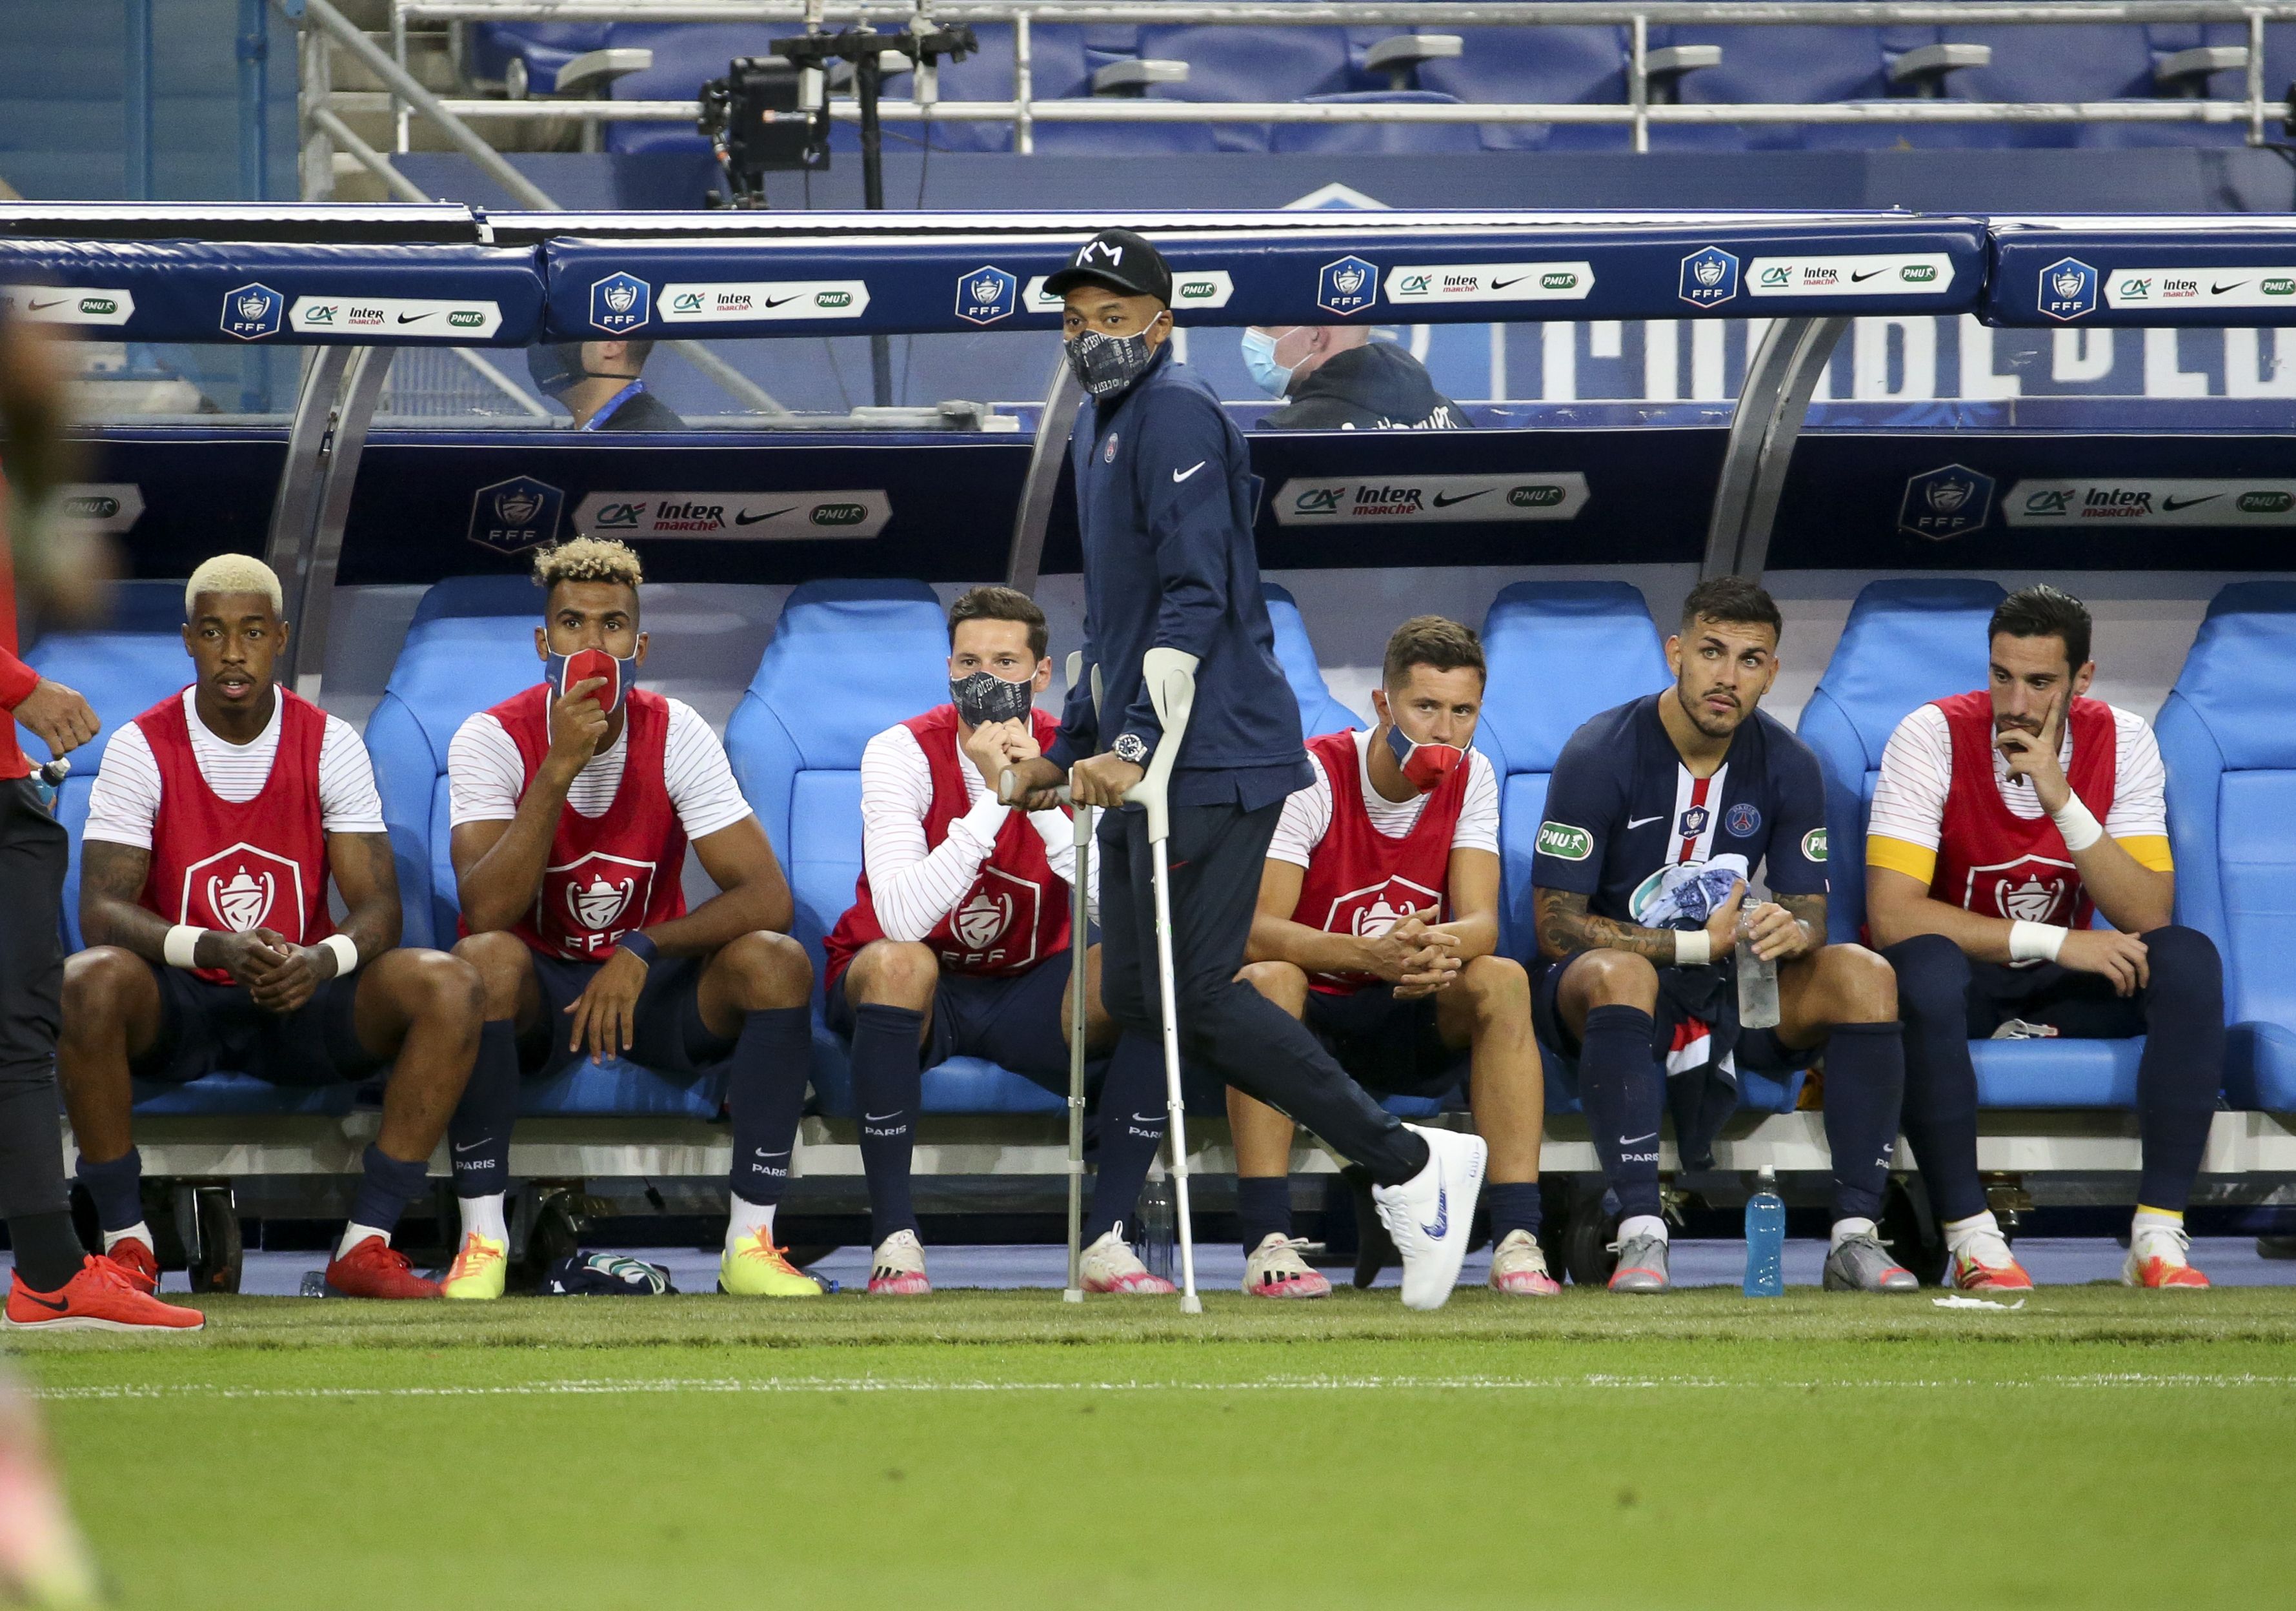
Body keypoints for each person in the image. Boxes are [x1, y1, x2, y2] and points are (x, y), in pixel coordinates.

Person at [1004, 227, 1485, 1312]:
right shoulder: (1097, 424)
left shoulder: (1175, 411)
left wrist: (1127, 747)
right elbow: (1115, 618)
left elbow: (1198, 593)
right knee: (1139, 991)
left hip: (1214, 751)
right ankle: (1407, 1161)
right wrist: (1071, 744)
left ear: (1162, 323)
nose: (1092, 337)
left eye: (1114, 317)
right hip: (1150, 753)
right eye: (1076, 319)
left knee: (1188, 987)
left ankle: (1410, 1165)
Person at [55, 556, 484, 1307]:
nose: (232, 652)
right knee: (88, 978)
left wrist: (321, 960)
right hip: (182, 1001)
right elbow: (102, 911)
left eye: (252, 633)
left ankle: (368, 1243)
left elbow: (381, 911)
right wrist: (213, 947)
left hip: (300, 1001)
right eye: (214, 633)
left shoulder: (329, 742)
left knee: (449, 982)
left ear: (280, 638)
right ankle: (127, 1246)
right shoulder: (139, 745)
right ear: (187, 641)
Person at [448, 537, 816, 1299]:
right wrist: (557, 768)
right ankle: (481, 1240)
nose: (593, 643)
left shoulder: (676, 730)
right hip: (542, 990)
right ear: (542, 643)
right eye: (574, 625)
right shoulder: (490, 737)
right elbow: (486, 910)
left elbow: (765, 896)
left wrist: (642, 947)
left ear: (639, 645)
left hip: (649, 986)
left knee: (776, 959)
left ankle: (751, 1243)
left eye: (613, 626)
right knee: (484, 958)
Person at [1531, 576, 1913, 1295]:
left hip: (1730, 985)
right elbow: (1556, 927)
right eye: (1711, 652)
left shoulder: (1792, 764)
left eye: (1749, 660)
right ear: (1677, 653)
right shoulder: (1599, 752)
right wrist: (1696, 946)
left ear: (1771, 673)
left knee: (1866, 974)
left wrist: (1784, 927)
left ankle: (1855, 1234)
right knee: (1624, 974)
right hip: (1604, 993)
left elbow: (1810, 913)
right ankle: (1641, 1231)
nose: (1726, 676)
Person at [1866, 585, 2221, 1291]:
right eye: (2003, 676)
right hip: (1965, 980)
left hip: (2058, 991)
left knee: (2187, 959)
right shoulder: (1929, 734)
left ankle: (2157, 1237)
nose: (2017, 703)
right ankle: (1972, 1239)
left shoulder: (2124, 740)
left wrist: (2061, 797)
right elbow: (1893, 915)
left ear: (2081, 679)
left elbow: (2149, 911)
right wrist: (2059, 941)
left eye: (2040, 683)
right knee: (1924, 970)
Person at [819, 585, 1171, 1295]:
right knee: (898, 963)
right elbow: (901, 920)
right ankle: (896, 1238)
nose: (985, 680)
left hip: (1032, 984)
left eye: (1006, 663)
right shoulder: (900, 751)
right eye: (969, 662)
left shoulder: (1081, 752)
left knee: (1145, 970)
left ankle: (1105, 1239)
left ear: (1042, 676)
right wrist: (993, 794)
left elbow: (1111, 902)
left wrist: (1037, 789)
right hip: (921, 986)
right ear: (949, 670)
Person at [1233, 616, 1556, 1299]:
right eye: (1426, 708)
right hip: (1309, 1017)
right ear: (1384, 705)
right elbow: (1256, 931)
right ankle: (1268, 1240)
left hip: (1402, 1005)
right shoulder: (1313, 774)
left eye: (1462, 711)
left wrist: (1437, 947)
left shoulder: (1474, 776)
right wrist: (1365, 955)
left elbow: (1481, 924)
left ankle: (1518, 1240)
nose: (1444, 730)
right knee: (1267, 980)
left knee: (1499, 979)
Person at [3, 309, 196, 1332]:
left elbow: (75, 582)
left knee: (18, 1040)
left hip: (7, 795)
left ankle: (47, 1268)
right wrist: (22, 688)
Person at [1242, 325, 1471, 431]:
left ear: (1315, 336)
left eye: (1266, 325)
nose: (1252, 334)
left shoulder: (1291, 434)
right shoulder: (1448, 412)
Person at [527, 340, 685, 431]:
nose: (543, 340)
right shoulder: (584, 437)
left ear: (612, 344)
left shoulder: (653, 448)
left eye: (562, 328)